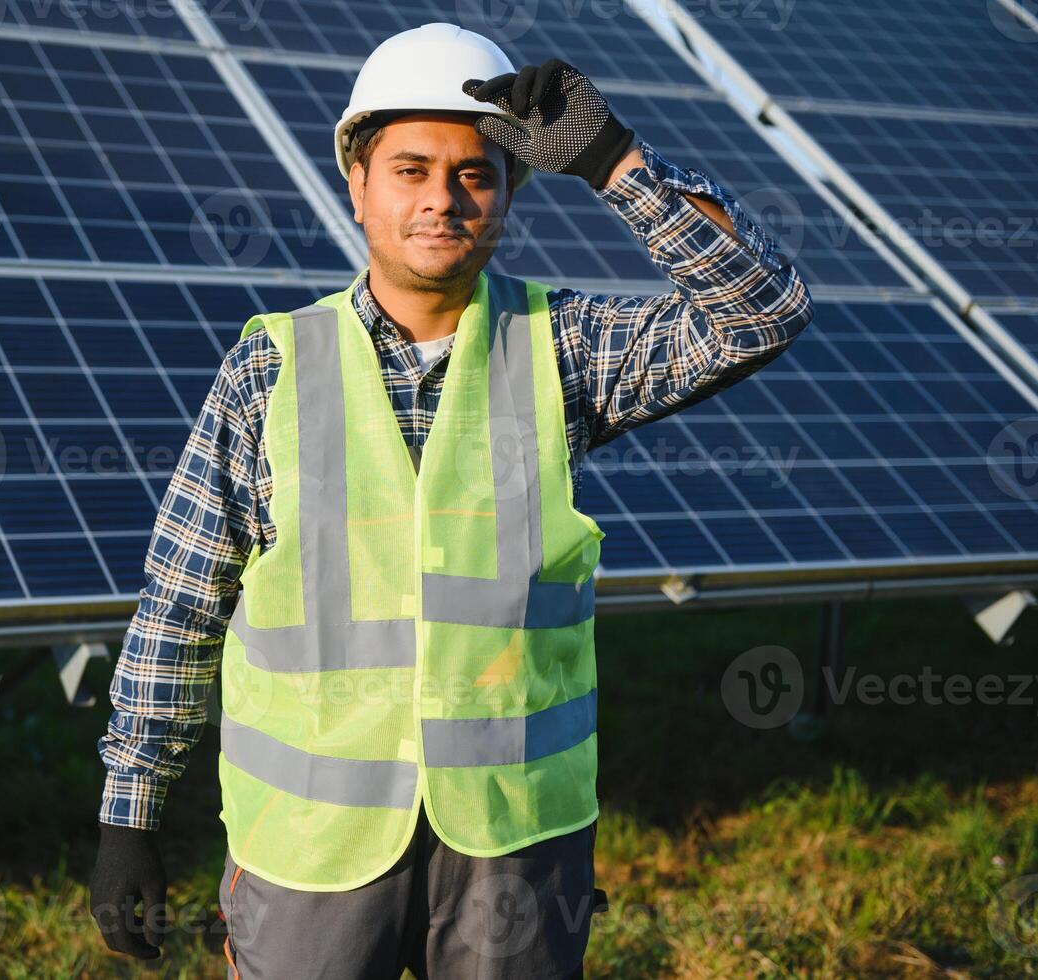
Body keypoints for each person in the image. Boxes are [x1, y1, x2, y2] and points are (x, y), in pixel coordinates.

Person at [89, 22, 814, 978]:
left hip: (513, 837)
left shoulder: (562, 349)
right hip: (313, 843)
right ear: (356, 183)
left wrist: (612, 162)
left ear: (510, 192)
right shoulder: (270, 367)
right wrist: (129, 809)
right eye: (409, 169)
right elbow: (183, 600)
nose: (442, 199)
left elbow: (761, 307)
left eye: (474, 174)